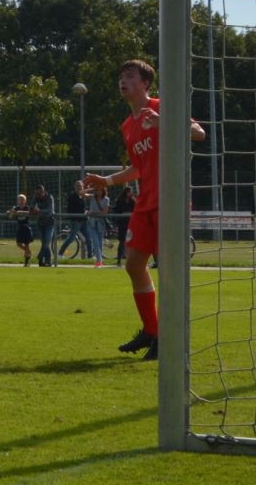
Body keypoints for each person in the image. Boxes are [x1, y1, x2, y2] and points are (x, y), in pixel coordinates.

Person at [84, 59, 206, 362]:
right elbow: (138, 168)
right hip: (146, 202)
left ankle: (170, 338)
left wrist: (166, 123)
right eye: (121, 77)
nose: (122, 81)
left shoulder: (161, 107)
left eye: (130, 76)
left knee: (169, 271)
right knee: (134, 264)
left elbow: (199, 133)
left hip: (171, 200)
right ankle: (152, 331)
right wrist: (107, 180)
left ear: (146, 83)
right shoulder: (128, 125)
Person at [57, 180, 88, 262]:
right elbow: (72, 209)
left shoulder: (82, 197)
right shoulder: (72, 196)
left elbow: (83, 207)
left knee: (88, 237)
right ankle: (60, 253)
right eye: (77, 186)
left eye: (80, 186)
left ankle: (90, 256)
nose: (79, 187)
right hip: (75, 221)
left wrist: (86, 212)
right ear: (75, 187)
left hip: (83, 220)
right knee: (71, 238)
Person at [30, 184, 56, 267]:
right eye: (36, 193)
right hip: (40, 223)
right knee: (44, 243)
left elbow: (50, 211)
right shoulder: (35, 197)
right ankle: (47, 262)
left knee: (47, 242)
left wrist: (39, 211)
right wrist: (33, 210)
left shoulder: (50, 198)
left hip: (50, 223)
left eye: (39, 193)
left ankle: (40, 257)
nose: (38, 195)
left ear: (43, 192)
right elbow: (31, 208)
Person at [85, 185, 110, 268]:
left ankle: (100, 261)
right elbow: (81, 193)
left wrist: (92, 213)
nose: (98, 192)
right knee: (95, 242)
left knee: (99, 243)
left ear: (103, 191)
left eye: (100, 190)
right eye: (97, 190)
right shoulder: (92, 197)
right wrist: (92, 188)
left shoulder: (106, 199)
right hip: (91, 223)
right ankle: (99, 261)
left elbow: (104, 213)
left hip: (100, 224)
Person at [8, 194, 33, 266]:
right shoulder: (15, 208)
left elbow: (30, 214)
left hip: (26, 228)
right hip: (20, 227)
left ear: (25, 201)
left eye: (22, 199)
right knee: (18, 243)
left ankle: (27, 262)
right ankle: (29, 252)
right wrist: (11, 212)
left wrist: (19, 213)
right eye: (19, 199)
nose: (21, 201)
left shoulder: (27, 208)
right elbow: (10, 216)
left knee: (26, 244)